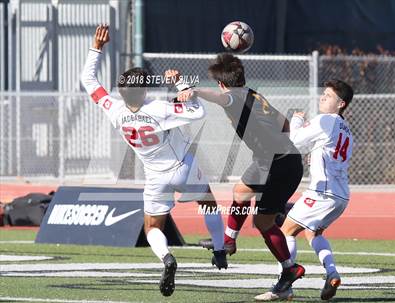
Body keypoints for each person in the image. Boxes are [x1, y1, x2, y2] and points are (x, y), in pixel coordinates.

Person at [81, 24, 227, 297]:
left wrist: (97, 48)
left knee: (152, 227)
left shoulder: (114, 109)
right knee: (208, 203)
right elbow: (197, 112)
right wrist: (181, 84)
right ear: (144, 90)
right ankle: (219, 250)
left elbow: (89, 81)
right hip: (182, 166)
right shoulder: (158, 108)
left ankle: (167, 259)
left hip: (155, 176)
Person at [176, 53, 305, 300]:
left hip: (277, 165)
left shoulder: (232, 95)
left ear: (222, 83)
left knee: (263, 224)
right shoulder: (254, 94)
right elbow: (285, 123)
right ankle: (229, 241)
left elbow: (220, 98)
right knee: (240, 192)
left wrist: (194, 91)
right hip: (273, 160)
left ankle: (290, 269)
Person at [255, 79, 354, 301]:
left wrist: (296, 121)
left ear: (341, 104)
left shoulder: (325, 120)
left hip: (322, 193)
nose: (322, 97)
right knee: (313, 232)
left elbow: (295, 141)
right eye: (324, 94)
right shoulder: (347, 131)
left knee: (286, 230)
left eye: (328, 96)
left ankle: (283, 287)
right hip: (340, 196)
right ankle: (332, 273)